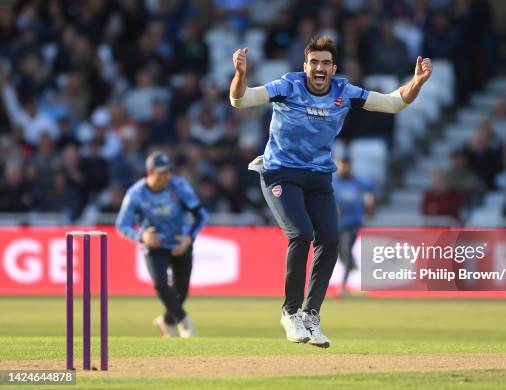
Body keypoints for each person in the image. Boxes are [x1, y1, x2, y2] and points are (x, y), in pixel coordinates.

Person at [229, 35, 432, 348]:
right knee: (300, 234)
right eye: (314, 62)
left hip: (319, 176)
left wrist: (416, 82)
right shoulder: (287, 86)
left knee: (332, 239)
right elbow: (240, 101)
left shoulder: (344, 91)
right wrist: (241, 76)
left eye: (325, 63)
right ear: (305, 66)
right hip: (279, 171)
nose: (319, 68)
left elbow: (393, 103)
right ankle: (291, 312)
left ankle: (311, 315)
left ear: (334, 68)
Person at [116, 151, 207, 338]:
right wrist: (142, 237)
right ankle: (184, 321)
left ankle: (166, 321)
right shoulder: (136, 193)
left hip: (180, 243)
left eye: (168, 172)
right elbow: (121, 224)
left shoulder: (179, 186)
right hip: (154, 245)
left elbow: (201, 215)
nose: (166, 177)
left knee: (182, 290)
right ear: (150, 172)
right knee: (160, 283)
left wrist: (189, 238)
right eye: (161, 173)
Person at [333, 158, 375, 297]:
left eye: (344, 166)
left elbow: (371, 187)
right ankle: (351, 264)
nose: (342, 169)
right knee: (340, 253)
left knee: (345, 250)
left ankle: (343, 287)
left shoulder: (356, 182)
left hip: (353, 223)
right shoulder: (333, 182)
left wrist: (369, 199)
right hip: (337, 224)